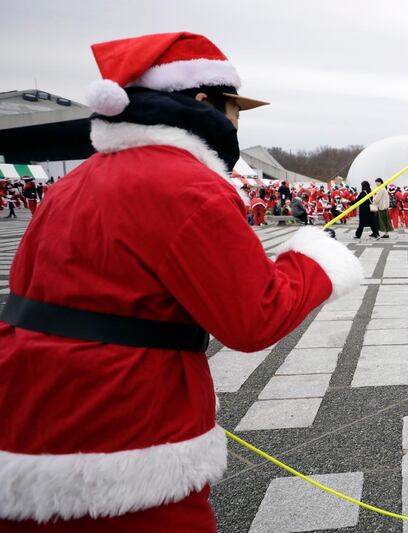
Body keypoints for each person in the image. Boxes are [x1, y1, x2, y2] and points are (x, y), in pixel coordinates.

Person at [0, 32, 362, 531]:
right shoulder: (188, 185)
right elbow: (254, 316)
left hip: (28, 402)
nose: (236, 122)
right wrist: (316, 261)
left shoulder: (76, 182)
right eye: (234, 109)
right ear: (201, 103)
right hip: (123, 413)